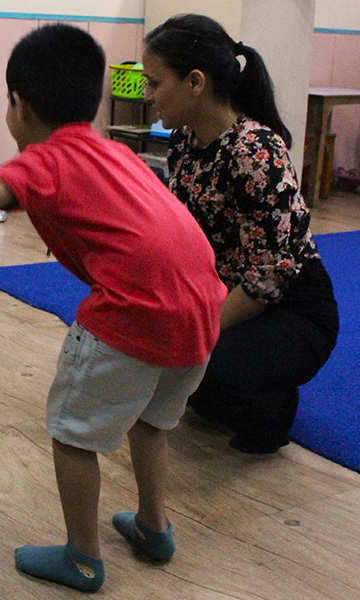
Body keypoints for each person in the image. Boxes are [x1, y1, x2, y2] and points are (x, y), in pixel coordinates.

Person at [0, 24, 226, 593]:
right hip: (202, 307)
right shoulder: (112, 152)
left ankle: (81, 557)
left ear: (19, 107)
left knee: (73, 434)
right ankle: (154, 527)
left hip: (135, 311)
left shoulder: (47, 161)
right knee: (151, 421)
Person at [142, 14, 340, 455]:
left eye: (154, 82)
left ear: (195, 82)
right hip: (228, 292)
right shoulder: (185, 143)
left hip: (290, 309)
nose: (148, 94)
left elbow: (268, 279)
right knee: (155, 350)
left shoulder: (254, 150)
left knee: (205, 369)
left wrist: (198, 331)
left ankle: (274, 406)